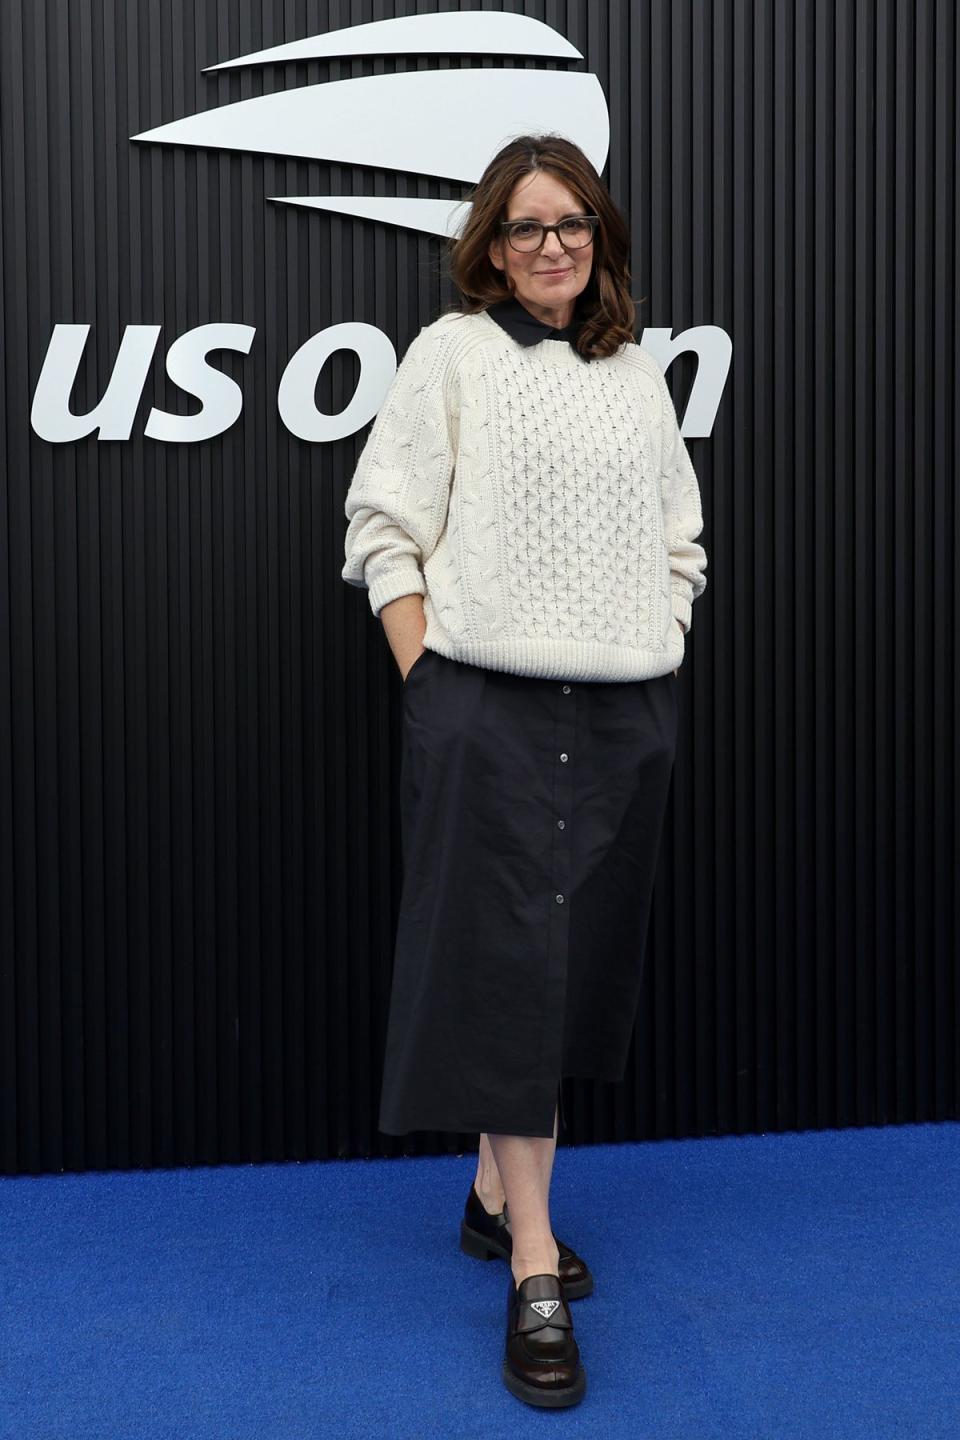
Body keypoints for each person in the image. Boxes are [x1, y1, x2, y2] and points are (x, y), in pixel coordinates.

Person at [341, 133, 708, 1409]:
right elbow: (384, 524)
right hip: (482, 707)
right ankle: (535, 1268)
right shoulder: (451, 357)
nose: (550, 246)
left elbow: (682, 538)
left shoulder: (639, 376)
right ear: (490, 247)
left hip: (620, 714)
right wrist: (431, 683)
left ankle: (497, 1197)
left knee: (567, 968)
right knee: (504, 969)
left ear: (598, 239)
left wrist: (661, 640)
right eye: (524, 227)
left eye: (572, 225)